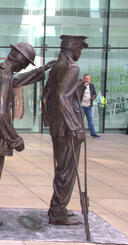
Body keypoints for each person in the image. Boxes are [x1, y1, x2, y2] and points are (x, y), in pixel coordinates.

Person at [0, 43, 55, 226]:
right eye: (26, 64)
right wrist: (14, 139)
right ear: (19, 60)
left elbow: (16, 81)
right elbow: (2, 113)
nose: (24, 67)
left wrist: (40, 70)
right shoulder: (3, 77)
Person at [41, 35, 89, 225]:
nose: (80, 53)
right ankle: (58, 210)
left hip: (58, 126)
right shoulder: (72, 67)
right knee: (67, 170)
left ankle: (57, 207)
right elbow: (61, 96)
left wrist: (49, 120)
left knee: (62, 168)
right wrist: (75, 126)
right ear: (74, 49)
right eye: (80, 49)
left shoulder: (56, 68)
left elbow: (46, 97)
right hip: (67, 128)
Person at [80, 74, 100, 138]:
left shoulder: (91, 85)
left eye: (88, 79)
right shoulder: (81, 86)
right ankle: (80, 133)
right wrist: (84, 87)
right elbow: (79, 93)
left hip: (89, 105)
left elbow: (94, 93)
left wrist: (94, 97)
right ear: (83, 79)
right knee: (80, 120)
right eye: (86, 78)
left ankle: (93, 133)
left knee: (90, 119)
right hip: (82, 105)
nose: (87, 80)